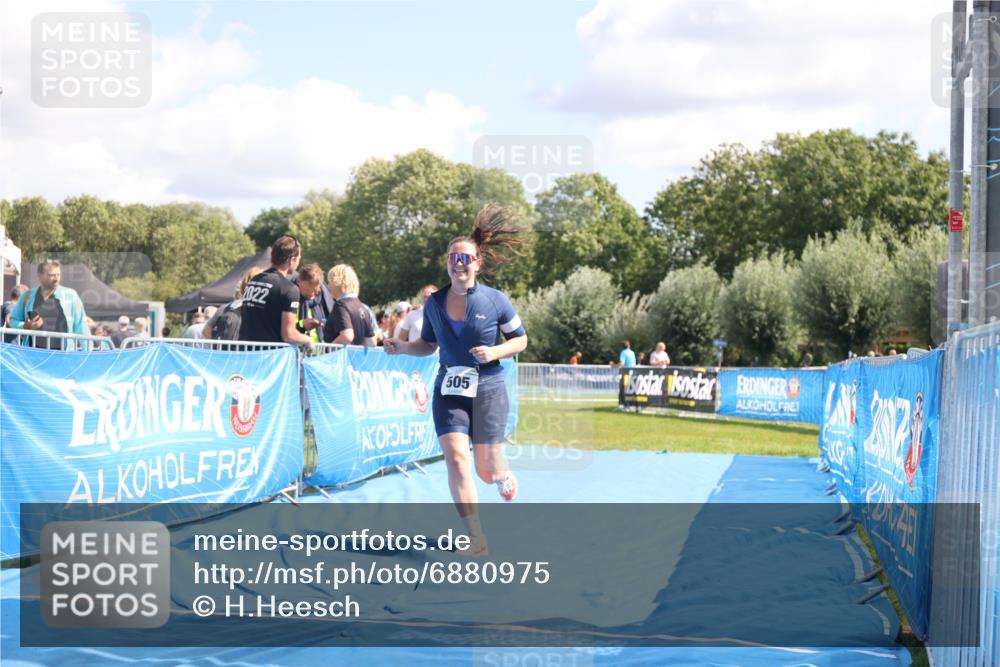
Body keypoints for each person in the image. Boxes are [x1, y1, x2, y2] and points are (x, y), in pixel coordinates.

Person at [384, 204, 528, 552]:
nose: (459, 263)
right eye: (453, 257)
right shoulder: (433, 303)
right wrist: (401, 348)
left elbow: (521, 339)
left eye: (466, 258)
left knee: (486, 472)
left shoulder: (495, 300)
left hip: (489, 388)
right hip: (449, 388)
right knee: (456, 456)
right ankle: (476, 536)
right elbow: (428, 345)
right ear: (447, 263)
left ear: (477, 263)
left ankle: (502, 473)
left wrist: (494, 352)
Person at [239, 236, 316, 349]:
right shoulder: (290, 289)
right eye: (299, 258)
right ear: (292, 260)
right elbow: (288, 334)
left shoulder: (253, 281)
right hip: (270, 358)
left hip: (247, 355)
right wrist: (308, 340)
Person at [9, 260, 88, 350]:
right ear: (40, 275)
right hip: (33, 357)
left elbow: (82, 327)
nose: (56, 279)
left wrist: (89, 355)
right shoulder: (27, 296)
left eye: (58, 275)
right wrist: (25, 326)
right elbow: (13, 321)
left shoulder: (71, 295)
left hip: (63, 357)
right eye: (52, 275)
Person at [204, 266, 264, 340]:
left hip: (228, 350)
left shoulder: (225, 308)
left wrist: (217, 348)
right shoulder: (261, 308)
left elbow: (206, 330)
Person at [322, 264, 376, 346]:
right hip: (355, 357)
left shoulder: (341, 305)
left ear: (337, 282)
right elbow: (371, 342)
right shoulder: (362, 307)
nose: (328, 286)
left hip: (340, 357)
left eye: (329, 282)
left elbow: (347, 336)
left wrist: (329, 350)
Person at [294, 263, 326, 344]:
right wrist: (302, 324)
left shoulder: (324, 299)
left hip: (320, 352)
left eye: (316, 290)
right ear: (299, 282)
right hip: (297, 351)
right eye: (308, 289)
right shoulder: (291, 297)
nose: (313, 293)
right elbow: (285, 329)